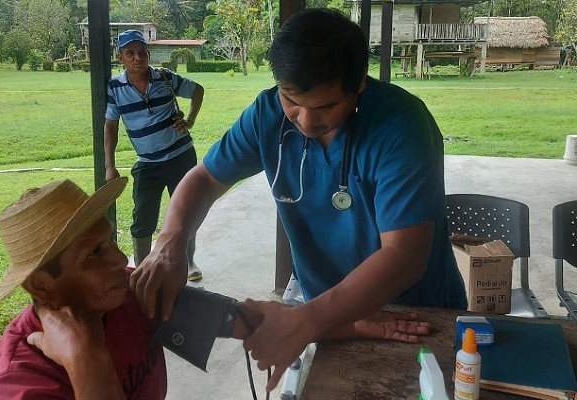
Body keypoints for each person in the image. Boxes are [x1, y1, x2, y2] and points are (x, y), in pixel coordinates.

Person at [129, 8, 467, 391]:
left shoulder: (401, 126)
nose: (305, 121)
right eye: (292, 100)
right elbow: (204, 178)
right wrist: (170, 244)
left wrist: (302, 322)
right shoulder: (266, 115)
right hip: (330, 315)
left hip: (413, 314)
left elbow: (403, 257)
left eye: (325, 107)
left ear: (358, 85)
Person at [0, 177, 427, 399]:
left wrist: (354, 323)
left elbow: (251, 323)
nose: (120, 261)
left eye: (111, 243)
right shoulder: (17, 383)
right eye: (93, 255)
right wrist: (88, 360)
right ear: (42, 286)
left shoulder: (128, 299)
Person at [104, 29, 205, 281]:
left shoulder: (164, 77)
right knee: (142, 218)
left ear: (148, 54)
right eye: (130, 53)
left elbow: (197, 90)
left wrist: (190, 119)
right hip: (148, 164)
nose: (137, 57)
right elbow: (110, 127)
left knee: (185, 213)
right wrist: (109, 165)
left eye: (142, 52)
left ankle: (188, 262)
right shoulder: (115, 88)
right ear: (121, 58)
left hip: (181, 156)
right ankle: (142, 269)